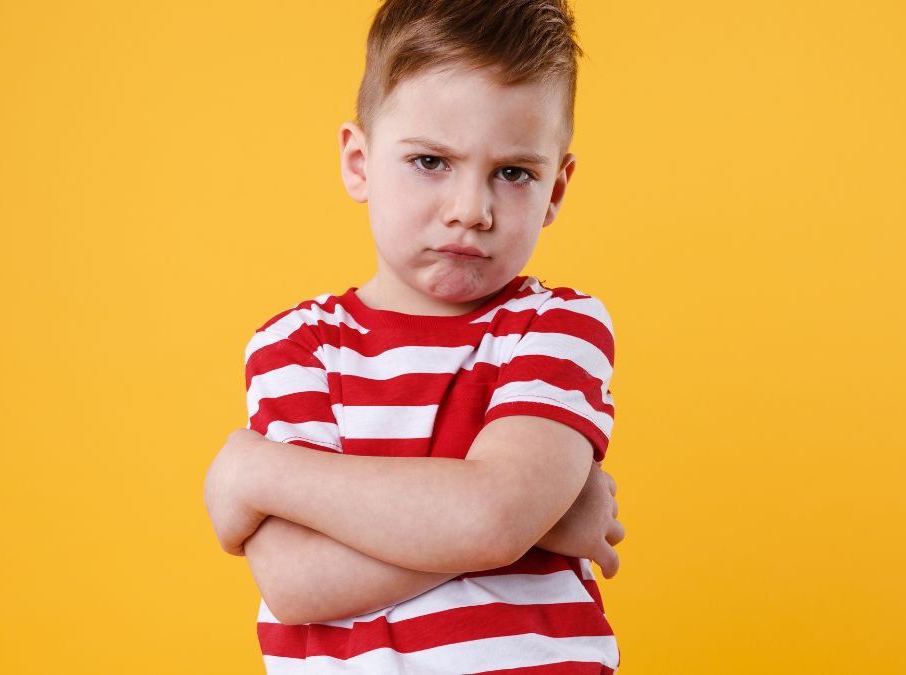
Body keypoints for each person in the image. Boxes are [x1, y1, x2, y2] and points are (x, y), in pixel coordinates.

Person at [203, 0, 625, 671]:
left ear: (556, 189)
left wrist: (257, 471)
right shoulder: (296, 347)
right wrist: (537, 525)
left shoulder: (556, 328)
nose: (470, 211)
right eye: (431, 161)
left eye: (514, 172)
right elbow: (297, 581)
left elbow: (494, 518)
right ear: (360, 162)